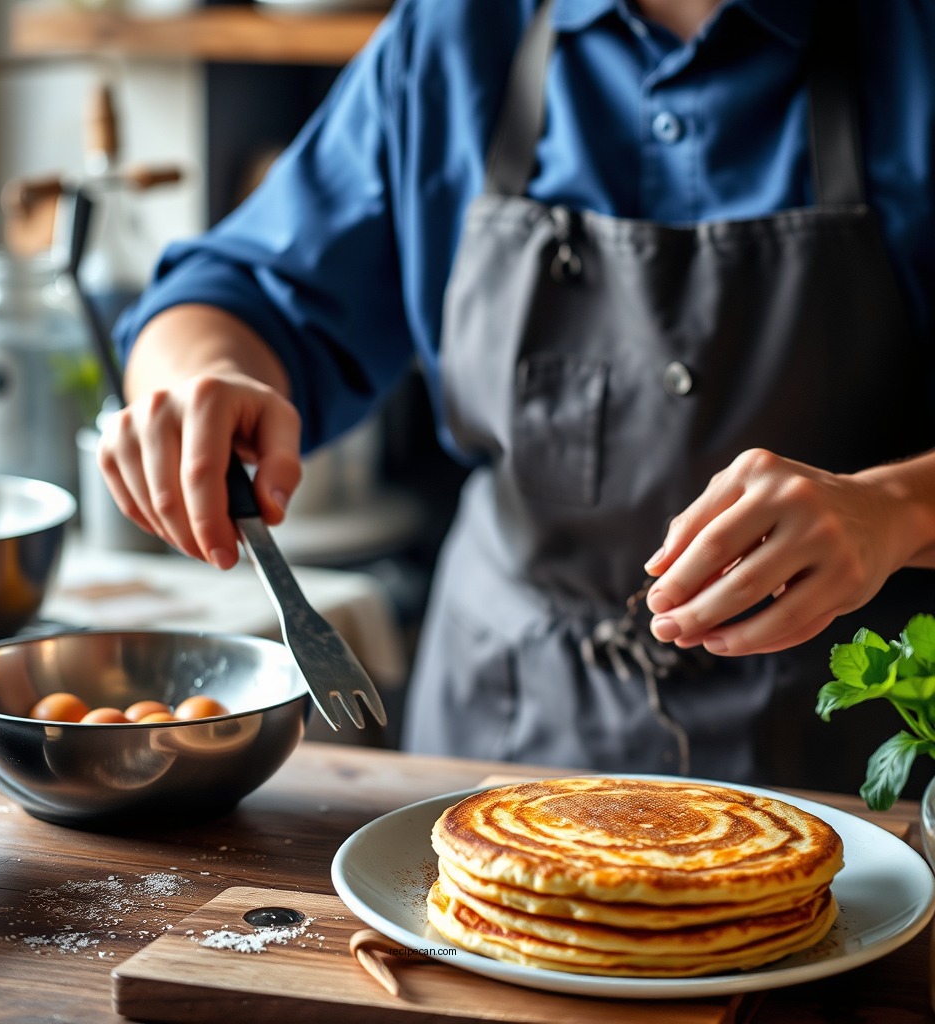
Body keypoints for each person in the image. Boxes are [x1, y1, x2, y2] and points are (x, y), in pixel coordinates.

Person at [100, 0, 935, 792]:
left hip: (850, 761)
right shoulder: (460, 32)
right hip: (498, 739)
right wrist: (199, 381)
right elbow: (240, 291)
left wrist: (896, 508)